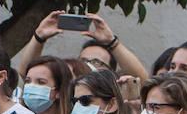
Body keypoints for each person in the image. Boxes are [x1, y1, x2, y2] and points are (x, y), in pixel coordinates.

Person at [17, 11, 149, 80]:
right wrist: (38, 37)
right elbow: (26, 73)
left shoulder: (114, 96)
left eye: (96, 62)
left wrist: (112, 42)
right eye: (83, 60)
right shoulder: (64, 90)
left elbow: (141, 79)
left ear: (112, 72)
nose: (87, 65)